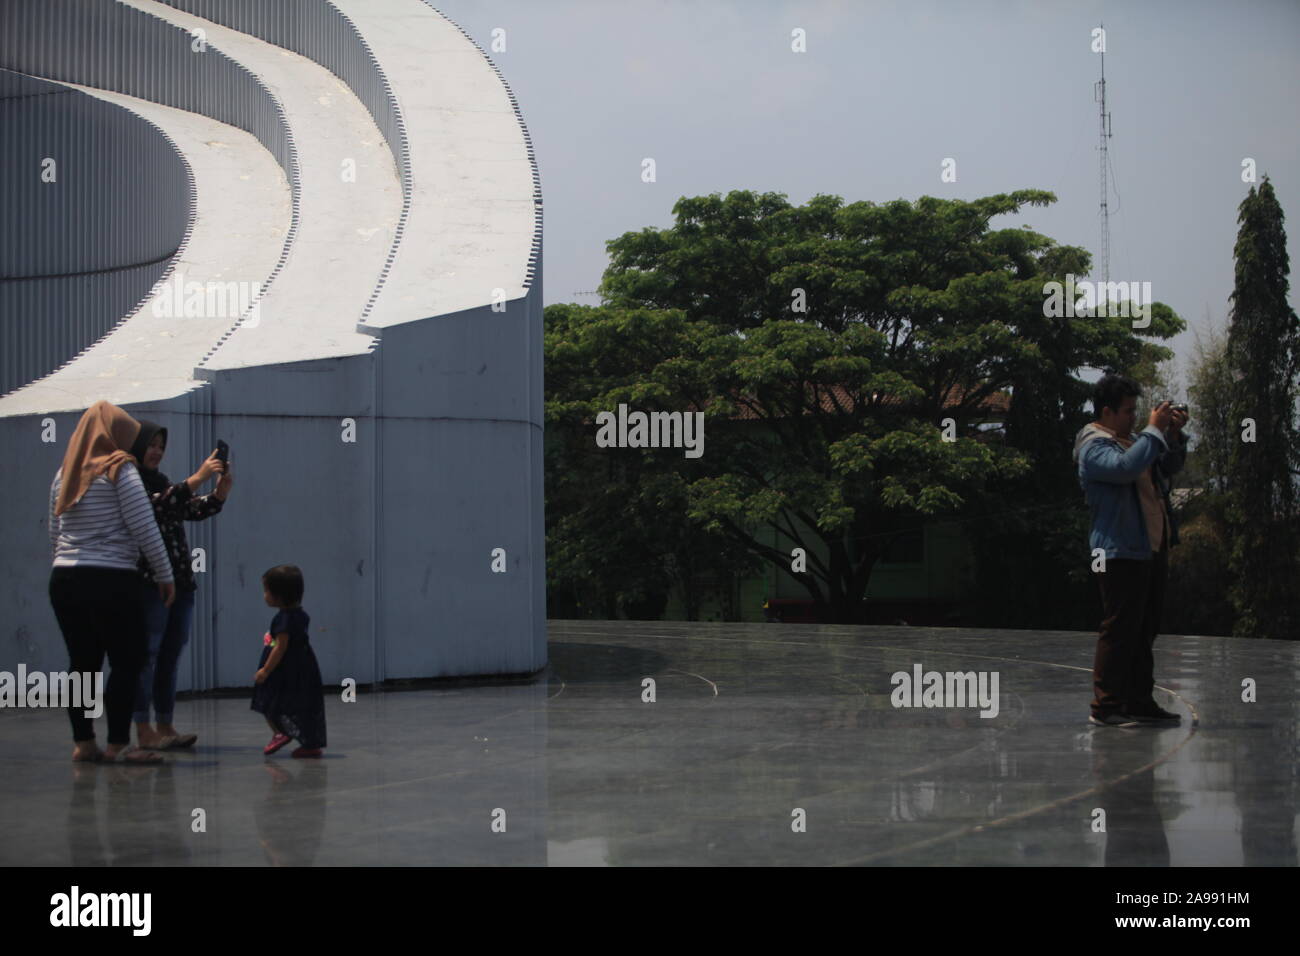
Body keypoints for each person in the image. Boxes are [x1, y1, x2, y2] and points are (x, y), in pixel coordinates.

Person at [48, 401, 175, 763]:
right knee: (128, 660)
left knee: (82, 662)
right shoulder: (121, 469)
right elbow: (144, 527)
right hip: (111, 579)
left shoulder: (64, 474)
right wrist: (165, 575)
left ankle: (84, 743)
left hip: (65, 579)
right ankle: (120, 744)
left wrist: (67, 567)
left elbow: (55, 530)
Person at [1072, 374, 1188, 727]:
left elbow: (1168, 466)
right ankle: (1106, 706)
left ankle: (1138, 700)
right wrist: (1154, 431)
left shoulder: (1134, 440)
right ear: (1107, 412)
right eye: (1127, 412)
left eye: (1137, 411)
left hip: (1149, 546)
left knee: (1144, 629)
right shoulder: (1094, 445)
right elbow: (1124, 470)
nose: (1134, 418)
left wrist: (1172, 434)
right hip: (1117, 550)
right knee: (1119, 629)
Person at [129, 422, 233, 750]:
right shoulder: (130, 485)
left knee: (170, 655)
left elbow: (187, 508)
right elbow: (158, 506)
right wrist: (198, 477)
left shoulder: (162, 484)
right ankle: (143, 728)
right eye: (151, 445)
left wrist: (218, 493)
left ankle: (165, 724)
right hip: (149, 583)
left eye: (161, 445)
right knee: (148, 654)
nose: (157, 451)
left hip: (180, 581)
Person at [251, 565, 326, 757]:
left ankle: (279, 732)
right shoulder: (301, 615)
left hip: (284, 670)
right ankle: (310, 744)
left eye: (266, 591)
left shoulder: (283, 619)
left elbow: (281, 647)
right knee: (304, 705)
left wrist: (266, 670)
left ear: (279, 596)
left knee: (268, 700)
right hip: (304, 668)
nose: (264, 595)